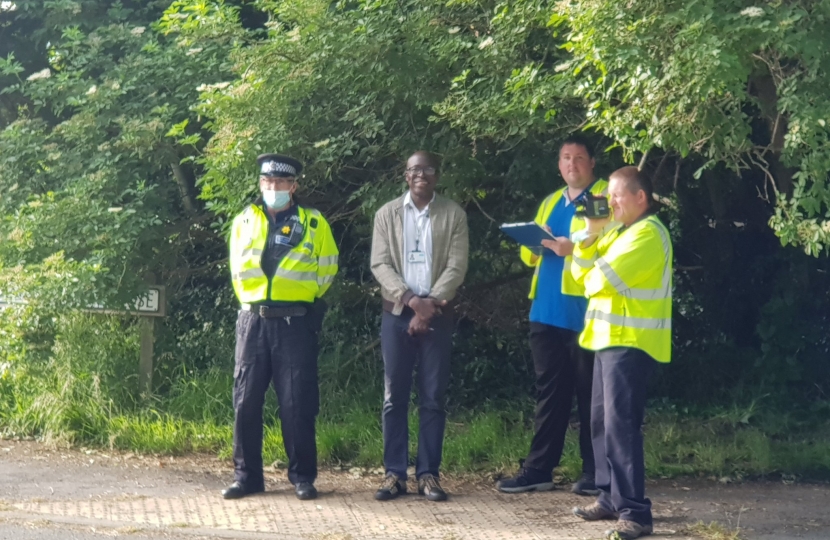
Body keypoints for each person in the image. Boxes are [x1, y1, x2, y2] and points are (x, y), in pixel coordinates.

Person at [222, 154, 339, 501]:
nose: (274, 188)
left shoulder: (314, 223)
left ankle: (302, 477)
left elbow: (327, 270)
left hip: (293, 322)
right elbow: (235, 268)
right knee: (245, 402)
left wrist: (299, 298)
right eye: (268, 182)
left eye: (281, 183)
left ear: (294, 186)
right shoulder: (244, 220)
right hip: (252, 320)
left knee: (297, 402)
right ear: (260, 184)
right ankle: (247, 478)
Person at [497, 136, 606, 496]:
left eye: (578, 157)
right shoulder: (550, 201)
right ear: (558, 166)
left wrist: (570, 247)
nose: (571, 164)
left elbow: (610, 244)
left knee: (591, 393)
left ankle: (596, 473)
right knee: (549, 393)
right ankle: (539, 469)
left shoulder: (603, 196)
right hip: (545, 310)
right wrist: (534, 242)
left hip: (584, 312)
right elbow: (532, 257)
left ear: (591, 163)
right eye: (565, 158)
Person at [570, 166, 672, 540]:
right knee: (599, 423)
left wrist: (591, 263)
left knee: (621, 426)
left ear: (640, 197)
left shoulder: (647, 233)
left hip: (631, 343)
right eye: (607, 196)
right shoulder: (615, 231)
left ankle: (635, 511)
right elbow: (580, 276)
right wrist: (590, 237)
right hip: (605, 340)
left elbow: (598, 280)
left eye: (615, 196)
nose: (608, 202)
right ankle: (609, 497)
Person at [370, 151, 468, 502]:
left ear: (436, 175)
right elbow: (379, 264)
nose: (420, 175)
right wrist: (412, 301)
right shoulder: (387, 214)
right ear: (405, 175)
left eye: (427, 169)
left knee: (433, 398)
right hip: (396, 314)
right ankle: (394, 475)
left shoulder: (453, 213)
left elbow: (456, 267)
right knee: (394, 397)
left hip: (437, 316)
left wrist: (428, 308)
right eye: (414, 170)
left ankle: (428, 474)